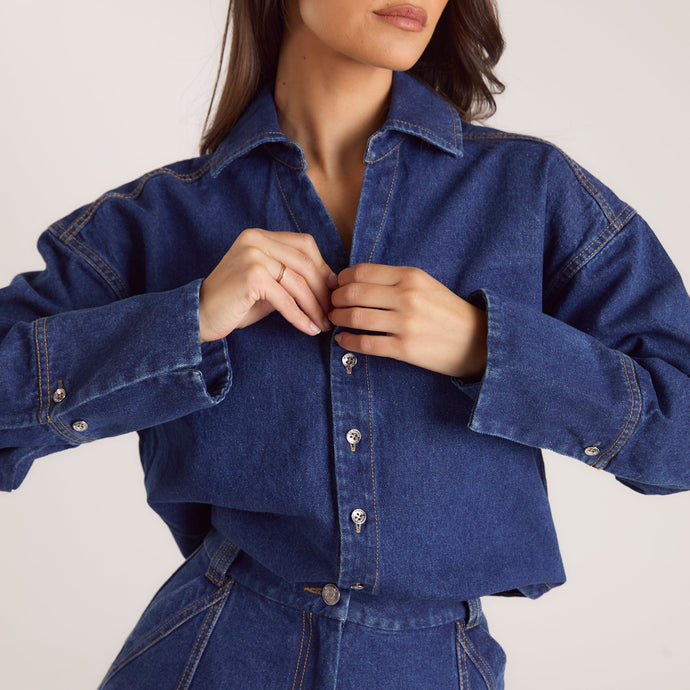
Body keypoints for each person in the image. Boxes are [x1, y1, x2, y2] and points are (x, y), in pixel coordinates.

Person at [1, 1, 689, 688]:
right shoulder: (162, 217)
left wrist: (490, 349)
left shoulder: (532, 192)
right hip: (210, 658)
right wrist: (190, 319)